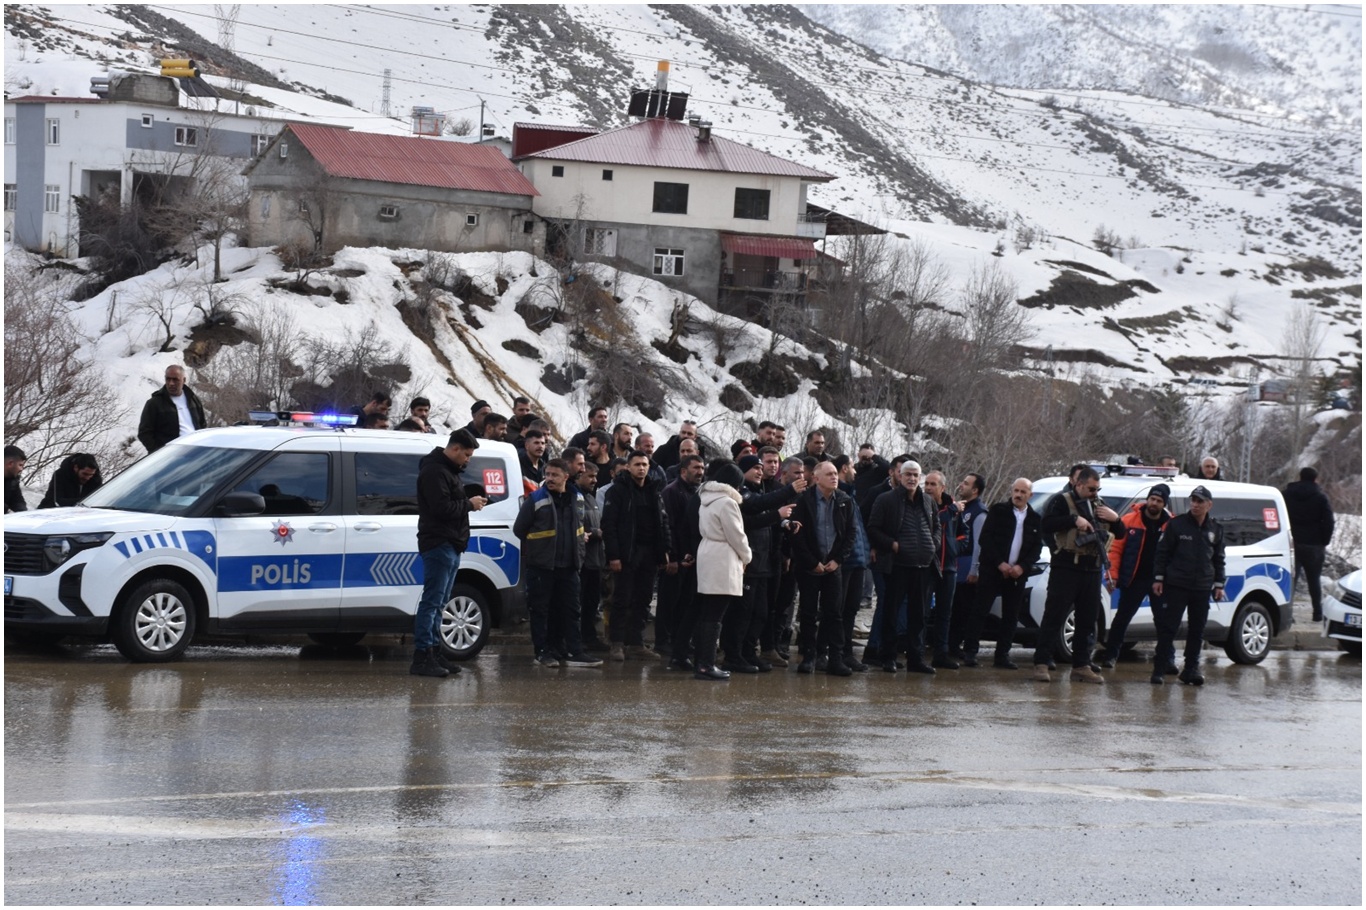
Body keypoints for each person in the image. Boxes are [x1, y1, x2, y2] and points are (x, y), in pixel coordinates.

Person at [1034, 467, 1120, 684]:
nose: (1094, 492)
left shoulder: (1099, 504)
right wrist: (1073, 520)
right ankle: (1041, 663)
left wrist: (1116, 519)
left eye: (1097, 489)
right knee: (1054, 616)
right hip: (1066, 568)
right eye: (1091, 488)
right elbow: (1046, 524)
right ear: (1078, 484)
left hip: (1092, 570)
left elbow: (1120, 533)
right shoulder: (1061, 501)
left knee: (1087, 620)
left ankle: (1081, 666)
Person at [514, 459, 602, 669]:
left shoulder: (577, 498)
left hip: (569, 565)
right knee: (541, 611)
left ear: (565, 476)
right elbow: (520, 529)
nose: (550, 478)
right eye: (548, 474)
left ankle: (573, 651)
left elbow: (580, 528)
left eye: (555, 475)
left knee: (571, 610)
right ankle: (542, 652)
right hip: (542, 566)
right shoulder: (536, 499)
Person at [413, 429, 487, 678]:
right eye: (466, 455)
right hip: (439, 543)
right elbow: (441, 507)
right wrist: (469, 504)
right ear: (454, 449)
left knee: (440, 602)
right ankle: (423, 656)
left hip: (451, 543)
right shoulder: (435, 471)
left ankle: (434, 652)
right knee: (432, 602)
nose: (468, 460)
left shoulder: (448, 471)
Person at [866, 460, 940, 674]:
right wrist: (893, 545)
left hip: (923, 566)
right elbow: (873, 528)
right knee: (891, 613)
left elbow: (937, 528)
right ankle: (887, 657)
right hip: (896, 566)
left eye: (916, 475)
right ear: (899, 476)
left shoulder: (928, 501)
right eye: (907, 474)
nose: (912, 479)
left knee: (919, 616)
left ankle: (916, 659)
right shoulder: (886, 499)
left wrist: (933, 544)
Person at [961, 478, 1042, 669]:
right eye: (1016, 490)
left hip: (1017, 575)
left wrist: (1022, 567)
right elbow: (985, 539)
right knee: (980, 611)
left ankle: (1002, 655)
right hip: (993, 570)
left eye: (1023, 492)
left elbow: (1036, 549)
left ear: (1030, 495)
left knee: (1011, 615)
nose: (1018, 495)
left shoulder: (1035, 518)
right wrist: (1000, 564)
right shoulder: (998, 511)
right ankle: (970, 652)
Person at [1152, 485, 1226, 686]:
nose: (1195, 504)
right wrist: (1158, 579)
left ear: (1209, 505)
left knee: (1197, 630)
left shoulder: (1215, 529)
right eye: (1193, 500)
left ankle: (1191, 669)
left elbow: (1219, 559)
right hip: (1177, 585)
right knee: (1168, 628)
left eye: (1200, 501)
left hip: (1202, 588)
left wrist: (1219, 584)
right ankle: (1159, 669)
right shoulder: (1177, 525)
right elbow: (1162, 553)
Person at [601, 450, 672, 660]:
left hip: (650, 552)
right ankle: (617, 643)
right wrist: (614, 555)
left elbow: (663, 522)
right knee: (622, 599)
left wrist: (665, 550)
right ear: (628, 467)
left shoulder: (654, 491)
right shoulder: (617, 491)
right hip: (627, 553)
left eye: (644, 464)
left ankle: (637, 643)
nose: (641, 468)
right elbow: (609, 525)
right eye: (637, 464)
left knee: (643, 599)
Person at [790, 461, 856, 675]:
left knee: (834, 613)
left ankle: (833, 658)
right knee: (808, 612)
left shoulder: (845, 501)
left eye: (836, 473)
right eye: (829, 474)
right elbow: (797, 536)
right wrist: (812, 562)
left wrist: (838, 560)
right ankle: (808, 656)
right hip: (809, 566)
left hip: (833, 566)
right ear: (816, 479)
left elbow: (850, 535)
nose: (834, 477)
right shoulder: (803, 501)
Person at [1095, 484, 1172, 668]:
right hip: (1134, 578)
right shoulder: (1130, 520)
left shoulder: (1171, 525)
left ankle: (1167, 659)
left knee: (1164, 622)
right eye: (1152, 499)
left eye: (1159, 501)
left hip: (1159, 581)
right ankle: (1111, 656)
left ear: (1164, 504)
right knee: (1122, 619)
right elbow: (1115, 549)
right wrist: (1112, 575)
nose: (1154, 503)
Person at [692, 460, 752, 680]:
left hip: (708, 551)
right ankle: (706, 664)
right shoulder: (727, 502)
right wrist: (747, 556)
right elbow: (736, 534)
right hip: (723, 557)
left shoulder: (706, 499)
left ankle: (701, 661)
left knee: (708, 611)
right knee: (716, 614)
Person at [660, 454, 705, 664]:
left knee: (686, 602)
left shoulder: (698, 492)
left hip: (691, 558)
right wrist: (673, 557)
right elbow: (669, 527)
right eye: (695, 468)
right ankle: (664, 641)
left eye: (702, 468)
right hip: (676, 558)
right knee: (670, 602)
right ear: (683, 471)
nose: (700, 472)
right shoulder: (671, 492)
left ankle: (680, 641)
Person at [1283, 467, 1336, 622]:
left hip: (1292, 542)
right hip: (1314, 545)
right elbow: (1329, 522)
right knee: (1314, 580)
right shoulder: (1320, 497)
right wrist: (1324, 541)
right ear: (1315, 479)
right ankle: (1317, 613)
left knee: (1291, 580)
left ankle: (1288, 614)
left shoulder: (1286, 495)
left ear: (1300, 477)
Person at [924, 471, 962, 670]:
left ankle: (941, 653)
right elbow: (933, 521)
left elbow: (964, 534)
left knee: (944, 613)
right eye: (927, 483)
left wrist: (956, 548)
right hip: (927, 566)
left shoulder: (954, 507)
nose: (928, 487)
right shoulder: (922, 504)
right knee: (921, 611)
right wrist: (951, 510)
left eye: (933, 484)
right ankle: (918, 653)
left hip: (948, 567)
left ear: (942, 488)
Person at [947, 472, 987, 661]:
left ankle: (957, 646)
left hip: (967, 566)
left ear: (975, 490)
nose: (961, 485)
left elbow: (979, 543)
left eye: (966, 483)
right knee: (954, 608)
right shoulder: (960, 508)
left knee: (962, 610)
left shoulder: (979, 512)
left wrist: (974, 570)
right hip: (956, 562)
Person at [576, 462, 609, 652]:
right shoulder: (577, 497)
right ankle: (578, 638)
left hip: (596, 560)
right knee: (580, 602)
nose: (594, 480)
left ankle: (590, 637)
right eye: (590, 476)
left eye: (595, 476)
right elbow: (579, 526)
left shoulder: (592, 499)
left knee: (591, 603)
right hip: (583, 561)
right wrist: (596, 532)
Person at [137, 365, 207, 453]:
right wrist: (159, 453)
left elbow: (202, 425)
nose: (171, 383)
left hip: (195, 453)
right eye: (168, 379)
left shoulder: (193, 399)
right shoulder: (155, 403)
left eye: (175, 379)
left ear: (184, 380)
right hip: (170, 458)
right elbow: (144, 433)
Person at [38, 453, 103, 509]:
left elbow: (99, 500)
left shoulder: (95, 479)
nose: (87, 478)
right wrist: (86, 502)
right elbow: (56, 501)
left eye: (91, 475)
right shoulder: (60, 475)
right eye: (85, 474)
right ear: (76, 467)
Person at [4, 445, 28, 513]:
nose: (21, 469)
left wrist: (23, 515)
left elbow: (18, 501)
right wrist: (8, 511)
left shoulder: (13, 481)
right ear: (10, 463)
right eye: (20, 465)